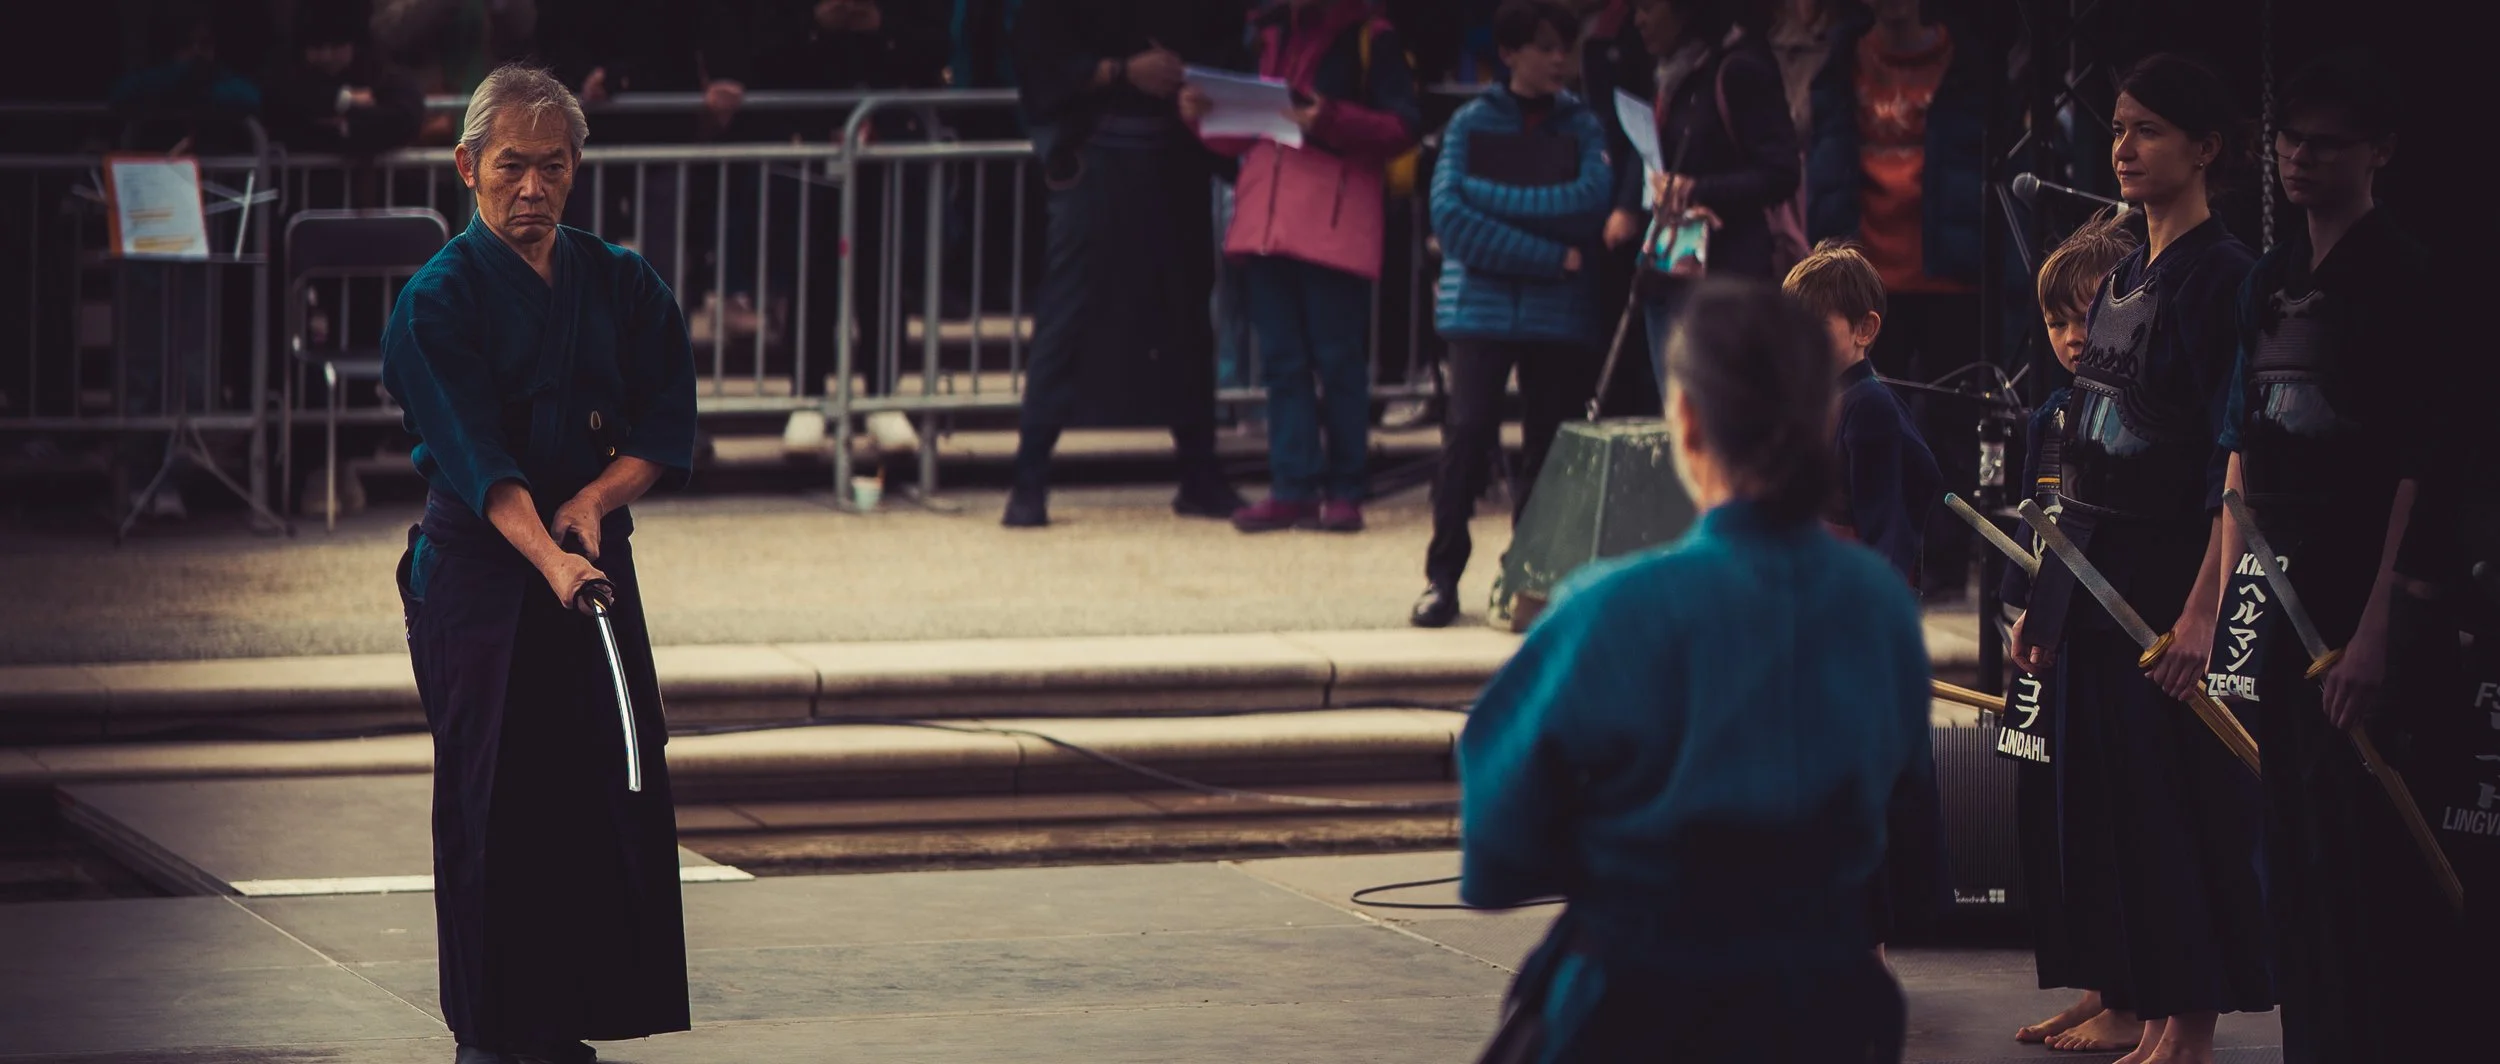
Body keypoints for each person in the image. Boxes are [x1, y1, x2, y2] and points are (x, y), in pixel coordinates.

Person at [1459, 279, 1929, 1063]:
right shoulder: (1878, 609)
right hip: (1830, 1006)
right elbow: (1910, 840)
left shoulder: (1609, 609)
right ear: (1822, 419)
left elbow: (1497, 849)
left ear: (1684, 421)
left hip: (1643, 997)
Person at [381, 63, 697, 1064]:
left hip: (591, 555)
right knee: (494, 800)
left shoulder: (620, 279)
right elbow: (480, 461)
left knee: (604, 789)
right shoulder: (437, 300)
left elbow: (665, 419)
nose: (532, 187)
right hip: (482, 570)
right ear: (467, 164)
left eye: (551, 166)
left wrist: (597, 504)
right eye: (511, 165)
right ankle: (493, 1030)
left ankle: (567, 1020)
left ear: (575, 168)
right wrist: (550, 561)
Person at [2171, 53, 2468, 1064]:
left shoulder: (2411, 279)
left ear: (2378, 152)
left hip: (2365, 591)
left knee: (2364, 848)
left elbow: (2424, 466)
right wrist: (2213, 606)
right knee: (2292, 843)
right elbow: (2239, 450)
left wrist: (2380, 624)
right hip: (2279, 578)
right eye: (2290, 141)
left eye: (2325, 143)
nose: (2300, 158)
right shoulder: (2268, 280)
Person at [2011, 54, 2270, 1064]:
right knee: (2112, 805)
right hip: (2096, 566)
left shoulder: (2230, 278)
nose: (2122, 147)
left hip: (2171, 568)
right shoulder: (2118, 277)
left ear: (2206, 146)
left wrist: (2203, 611)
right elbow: (2081, 455)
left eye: (2148, 129)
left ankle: (2189, 1022)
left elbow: (2232, 457)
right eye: (2117, 127)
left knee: (2179, 802)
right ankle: (2144, 1004)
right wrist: (2049, 598)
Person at [1006, 0, 1251, 527]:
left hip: (1175, 154)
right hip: (1093, 156)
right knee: (1064, 320)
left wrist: (1193, 78)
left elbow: (1226, 40)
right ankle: (1029, 478)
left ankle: (1199, 471)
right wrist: (1120, 71)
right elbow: (1036, 53)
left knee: (1187, 321)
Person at [1183, 0, 1420, 534]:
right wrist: (1204, 113)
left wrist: (1329, 118)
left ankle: (1341, 488)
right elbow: (1241, 132)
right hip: (1271, 217)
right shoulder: (1266, 31)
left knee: (1336, 361)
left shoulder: (1370, 34)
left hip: (1329, 215)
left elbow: (1404, 124)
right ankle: (1294, 486)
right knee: (1284, 361)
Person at [1412, 0, 1613, 628]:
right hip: (1482, 310)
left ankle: (1527, 579)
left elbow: (1590, 202)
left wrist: (1491, 205)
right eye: (1547, 46)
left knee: (1547, 449)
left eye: (1565, 47)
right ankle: (1442, 577)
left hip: (1557, 316)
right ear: (1510, 52)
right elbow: (1451, 219)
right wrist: (1554, 256)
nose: (1560, 59)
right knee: (1467, 436)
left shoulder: (1582, 125)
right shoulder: (1470, 123)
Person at [2002, 207, 2147, 1053]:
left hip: (2122, 628)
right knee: (2070, 819)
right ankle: (2101, 989)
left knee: (2125, 817)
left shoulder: (2135, 414)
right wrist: (2031, 609)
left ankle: (2133, 998)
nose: (2066, 334)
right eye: (2054, 319)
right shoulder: (2050, 416)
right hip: (2056, 631)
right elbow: (2036, 531)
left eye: (2083, 316)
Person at [1803, 0, 1987, 602]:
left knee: (1944, 425)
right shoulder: (1843, 59)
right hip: (1860, 258)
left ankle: (1941, 570)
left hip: (1946, 266)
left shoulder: (1963, 58)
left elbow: (1925, 470)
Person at [1621, 0, 1801, 387]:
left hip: (1728, 279)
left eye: (1649, 8)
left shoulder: (1737, 70)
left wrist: (1699, 190)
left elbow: (1781, 172)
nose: (1638, 20)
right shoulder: (1668, 76)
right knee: (1678, 415)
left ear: (1685, 11)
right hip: (1669, 269)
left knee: (1725, 412)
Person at [1781, 239, 1939, 583]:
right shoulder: (1815, 399)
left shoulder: (1868, 405)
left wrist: (1878, 598)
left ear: (1864, 329)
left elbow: (1887, 519)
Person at [265, 4, 423, 156]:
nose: (327, 56)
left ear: (354, 44)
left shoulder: (380, 72)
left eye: (337, 45)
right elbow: (279, 113)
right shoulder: (285, 78)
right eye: (317, 46)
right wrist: (344, 101)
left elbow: (405, 118)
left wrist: (345, 128)